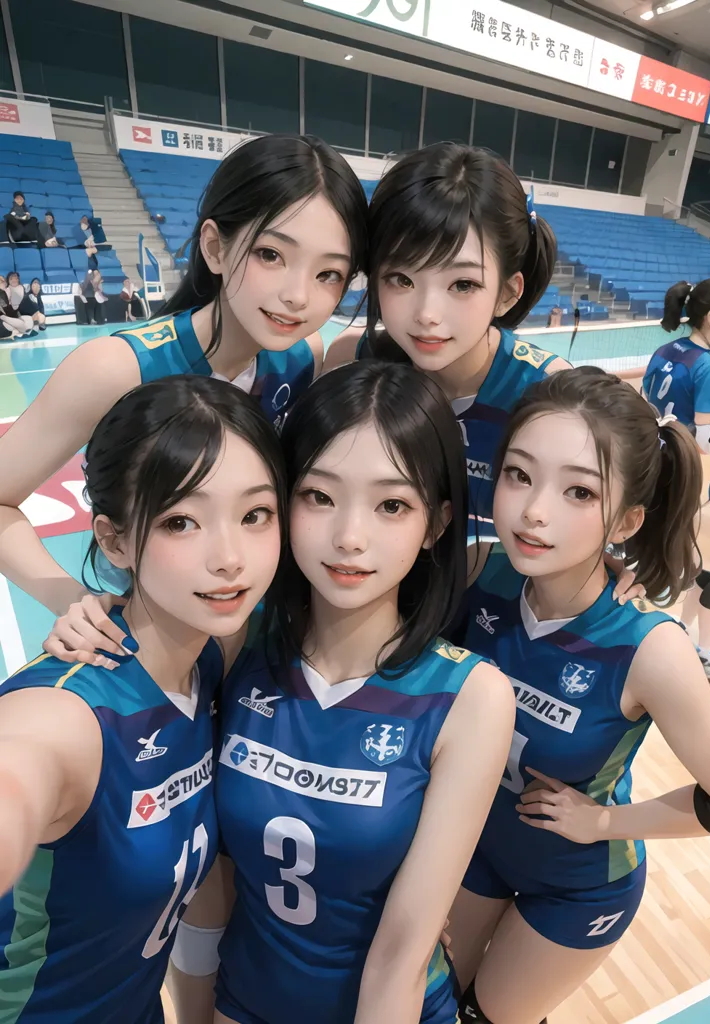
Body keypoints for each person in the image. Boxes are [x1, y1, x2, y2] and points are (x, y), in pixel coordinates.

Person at [168, 361, 515, 1024]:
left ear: (437, 523)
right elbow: (210, 881)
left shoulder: (470, 698)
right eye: (319, 496)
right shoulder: (235, 644)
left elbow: (401, 956)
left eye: (392, 505)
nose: (350, 537)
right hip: (238, 1001)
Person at [446, 368, 710, 1024]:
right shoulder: (478, 575)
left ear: (627, 518)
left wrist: (607, 822)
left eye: (579, 491)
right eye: (519, 475)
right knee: (426, 1002)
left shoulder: (649, 648)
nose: (535, 511)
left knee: (483, 1017)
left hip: (579, 882)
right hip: (477, 845)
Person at [0, 133, 367, 650]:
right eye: (270, 254)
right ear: (215, 247)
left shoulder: (301, 357)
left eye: (329, 273)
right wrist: (70, 599)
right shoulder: (118, 370)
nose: (298, 295)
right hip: (157, 653)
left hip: (262, 644)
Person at [0, 374, 286, 1022]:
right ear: (114, 539)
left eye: (255, 515)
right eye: (182, 521)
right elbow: (19, 768)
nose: (230, 558)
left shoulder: (213, 650)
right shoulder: (69, 713)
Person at [324, 143, 569, 544]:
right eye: (401, 279)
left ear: (508, 293)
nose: (427, 314)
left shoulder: (548, 394)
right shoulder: (350, 359)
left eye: (463, 284)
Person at [643, 279, 710, 683]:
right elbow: (701, 437)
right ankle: (699, 653)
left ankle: (682, 636)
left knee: (668, 553)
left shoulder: (665, 350)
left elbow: (648, 407)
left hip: (649, 458)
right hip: (678, 466)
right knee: (668, 557)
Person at [642, 279, 710, 445]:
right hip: (679, 454)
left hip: (650, 444)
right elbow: (703, 440)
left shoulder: (663, 349)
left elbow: (646, 392)